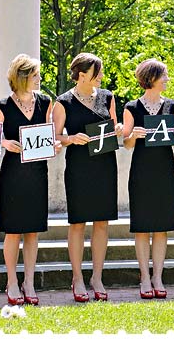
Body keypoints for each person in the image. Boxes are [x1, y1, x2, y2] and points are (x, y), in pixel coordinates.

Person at [0, 54, 59, 306]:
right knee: (13, 231)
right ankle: (11, 281)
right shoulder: (1, 106)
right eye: (35, 75)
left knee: (33, 231)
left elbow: (50, 134)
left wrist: (54, 145)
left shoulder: (45, 102)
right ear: (22, 77)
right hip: (13, 174)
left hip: (38, 172)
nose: (39, 79)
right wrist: (5, 143)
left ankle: (28, 282)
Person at [53, 53, 121, 302]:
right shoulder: (63, 102)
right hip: (79, 167)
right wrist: (70, 139)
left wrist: (118, 129)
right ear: (82, 75)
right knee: (78, 223)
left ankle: (97, 278)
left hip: (105, 165)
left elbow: (114, 127)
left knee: (102, 222)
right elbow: (55, 136)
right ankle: (78, 278)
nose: (101, 75)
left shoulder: (107, 97)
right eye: (96, 72)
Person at [122, 59, 174, 300]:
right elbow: (126, 144)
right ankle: (145, 278)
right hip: (141, 171)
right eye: (164, 75)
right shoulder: (132, 107)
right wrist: (133, 136)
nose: (167, 79)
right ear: (151, 78)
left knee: (161, 226)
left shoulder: (173, 106)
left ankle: (158, 277)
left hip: (164, 171)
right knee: (142, 227)